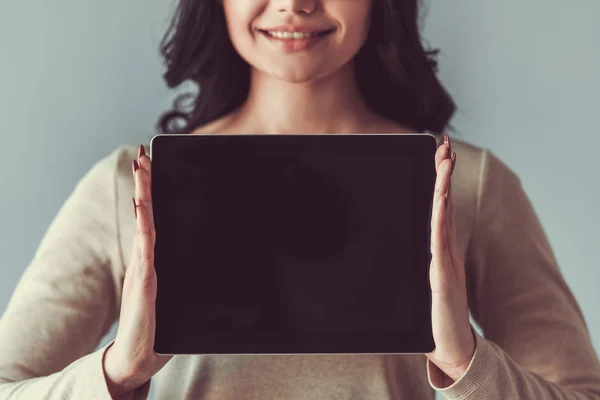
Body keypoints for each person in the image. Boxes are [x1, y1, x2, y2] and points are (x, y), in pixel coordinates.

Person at [1, 0, 599, 398]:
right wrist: (116, 372)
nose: (294, 3)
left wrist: (470, 365)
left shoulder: (467, 184)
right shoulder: (133, 184)